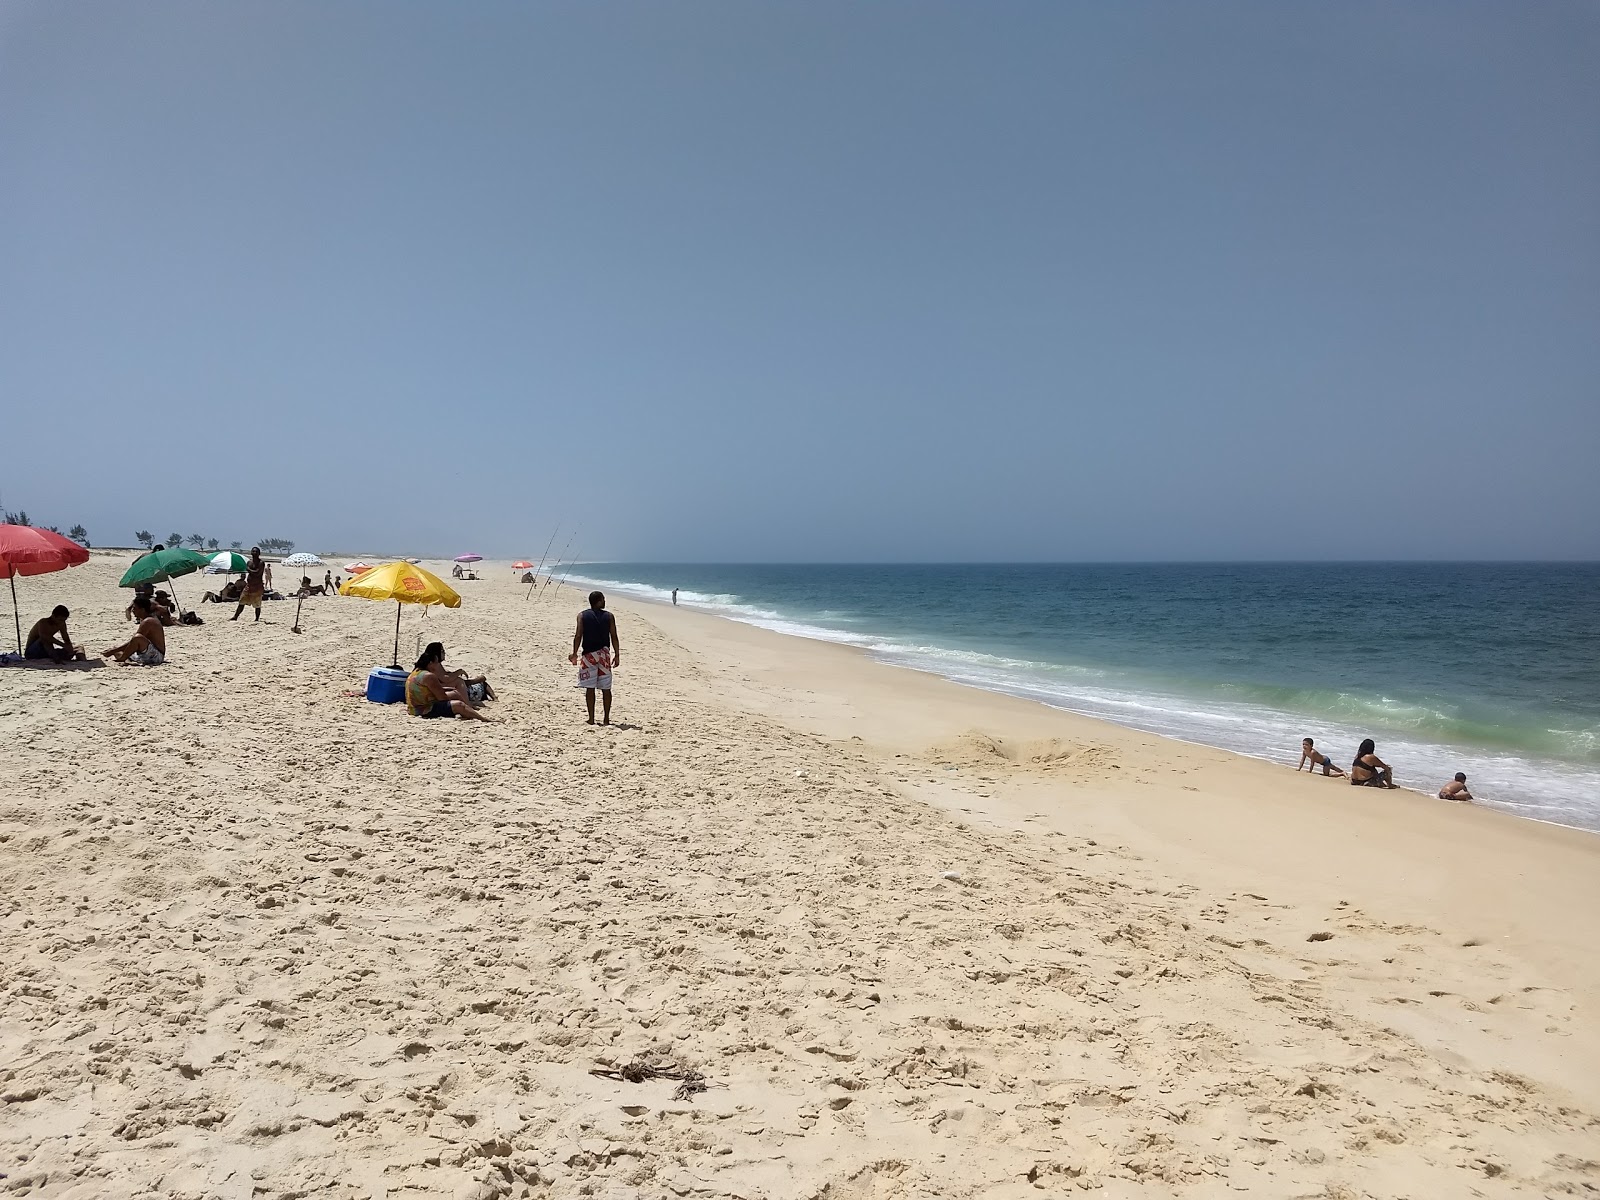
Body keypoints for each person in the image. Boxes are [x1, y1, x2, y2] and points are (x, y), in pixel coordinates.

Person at [405, 642, 498, 721]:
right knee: (459, 704)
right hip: (424, 709)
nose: (437, 665)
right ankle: (483, 719)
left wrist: (449, 690)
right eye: (436, 663)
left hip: (413, 707)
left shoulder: (416, 673)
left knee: (455, 693)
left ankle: (469, 711)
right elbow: (442, 698)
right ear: (430, 663)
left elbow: (427, 690)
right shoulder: (429, 676)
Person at [569, 590, 621, 725]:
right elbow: (614, 636)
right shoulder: (609, 616)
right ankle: (606, 719)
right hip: (604, 655)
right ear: (598, 601)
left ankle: (591, 719)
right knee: (606, 688)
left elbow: (578, 636)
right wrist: (617, 654)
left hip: (588, 656)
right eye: (603, 599)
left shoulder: (582, 616)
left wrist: (574, 653)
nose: (604, 601)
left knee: (590, 688)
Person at [103, 597, 166, 665]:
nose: (133, 611)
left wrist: (112, 651)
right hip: (147, 651)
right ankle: (128, 660)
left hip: (156, 656)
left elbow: (135, 641)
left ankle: (123, 659)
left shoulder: (148, 621)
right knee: (117, 651)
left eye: (135, 608)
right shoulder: (145, 619)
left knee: (137, 638)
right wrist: (114, 650)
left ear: (142, 609)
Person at [232, 547, 266, 622]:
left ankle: (257, 619)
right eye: (253, 551)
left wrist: (249, 570)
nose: (254, 553)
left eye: (256, 552)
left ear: (259, 553)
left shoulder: (261, 563)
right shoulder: (249, 562)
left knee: (257, 604)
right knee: (241, 601)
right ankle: (235, 616)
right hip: (249, 586)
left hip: (257, 586)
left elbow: (257, 573)